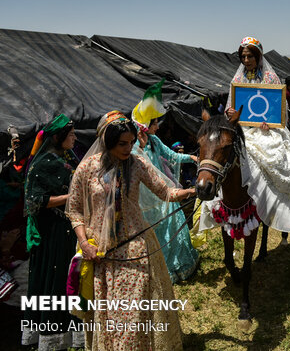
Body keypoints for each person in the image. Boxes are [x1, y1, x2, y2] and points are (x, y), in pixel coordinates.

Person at [66, 111, 194, 350]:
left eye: (132, 143)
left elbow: (165, 192)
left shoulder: (137, 164)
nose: (128, 148)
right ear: (107, 141)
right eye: (122, 143)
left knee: (134, 314)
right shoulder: (86, 169)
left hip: (135, 247)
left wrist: (192, 192)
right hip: (100, 253)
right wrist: (84, 243)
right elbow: (75, 211)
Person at [223, 37, 290, 240]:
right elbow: (228, 108)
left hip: (266, 130)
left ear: (258, 56)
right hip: (244, 129)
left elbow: (279, 109)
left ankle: (276, 205)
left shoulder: (270, 78)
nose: (246, 60)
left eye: (250, 56)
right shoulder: (236, 81)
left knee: (282, 159)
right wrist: (230, 112)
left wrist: (269, 122)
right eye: (243, 56)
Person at [21, 114, 84, 350]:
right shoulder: (43, 163)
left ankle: (73, 333)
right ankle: (51, 336)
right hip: (52, 233)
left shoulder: (67, 157)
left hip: (67, 229)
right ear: (58, 137)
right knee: (55, 281)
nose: (75, 138)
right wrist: (71, 197)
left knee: (70, 281)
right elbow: (35, 200)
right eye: (71, 134)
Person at [132, 81, 199, 284]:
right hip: (148, 200)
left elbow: (171, 156)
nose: (158, 126)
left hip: (163, 191)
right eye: (154, 123)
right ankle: (163, 271)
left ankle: (179, 266)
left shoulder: (155, 141)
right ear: (145, 126)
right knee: (158, 234)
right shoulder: (134, 146)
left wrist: (192, 158)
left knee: (175, 226)